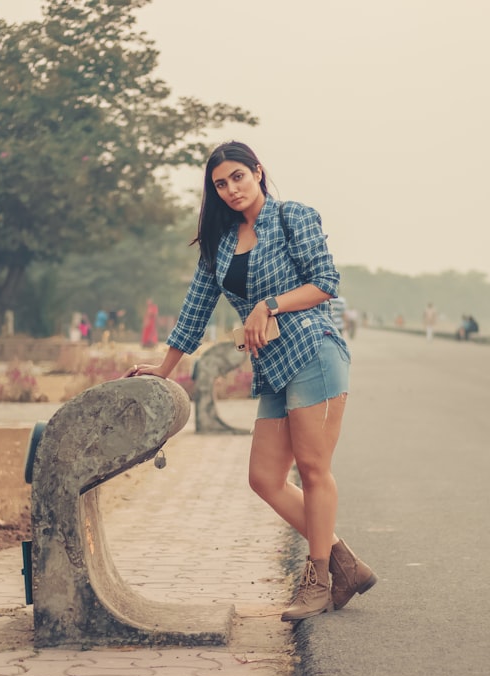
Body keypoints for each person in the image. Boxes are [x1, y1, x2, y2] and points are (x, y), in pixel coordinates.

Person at [127, 141, 377, 622]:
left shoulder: (293, 217)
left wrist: (270, 304)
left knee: (312, 468)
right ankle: (345, 564)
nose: (231, 189)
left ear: (258, 172)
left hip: (314, 350)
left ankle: (319, 580)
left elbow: (325, 281)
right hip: (271, 365)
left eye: (238, 176)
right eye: (221, 183)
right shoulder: (219, 244)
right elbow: (196, 309)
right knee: (263, 478)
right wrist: (165, 368)